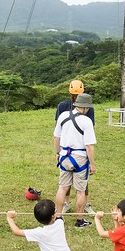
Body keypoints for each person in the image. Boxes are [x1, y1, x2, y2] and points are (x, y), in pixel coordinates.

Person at [53, 93, 97, 229]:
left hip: (65, 156)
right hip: (80, 158)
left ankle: (58, 217)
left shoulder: (63, 116)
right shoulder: (86, 121)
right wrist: (93, 164)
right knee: (80, 190)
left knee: (62, 187)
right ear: (84, 107)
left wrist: (58, 153)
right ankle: (79, 219)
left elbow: (56, 137)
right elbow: (89, 146)